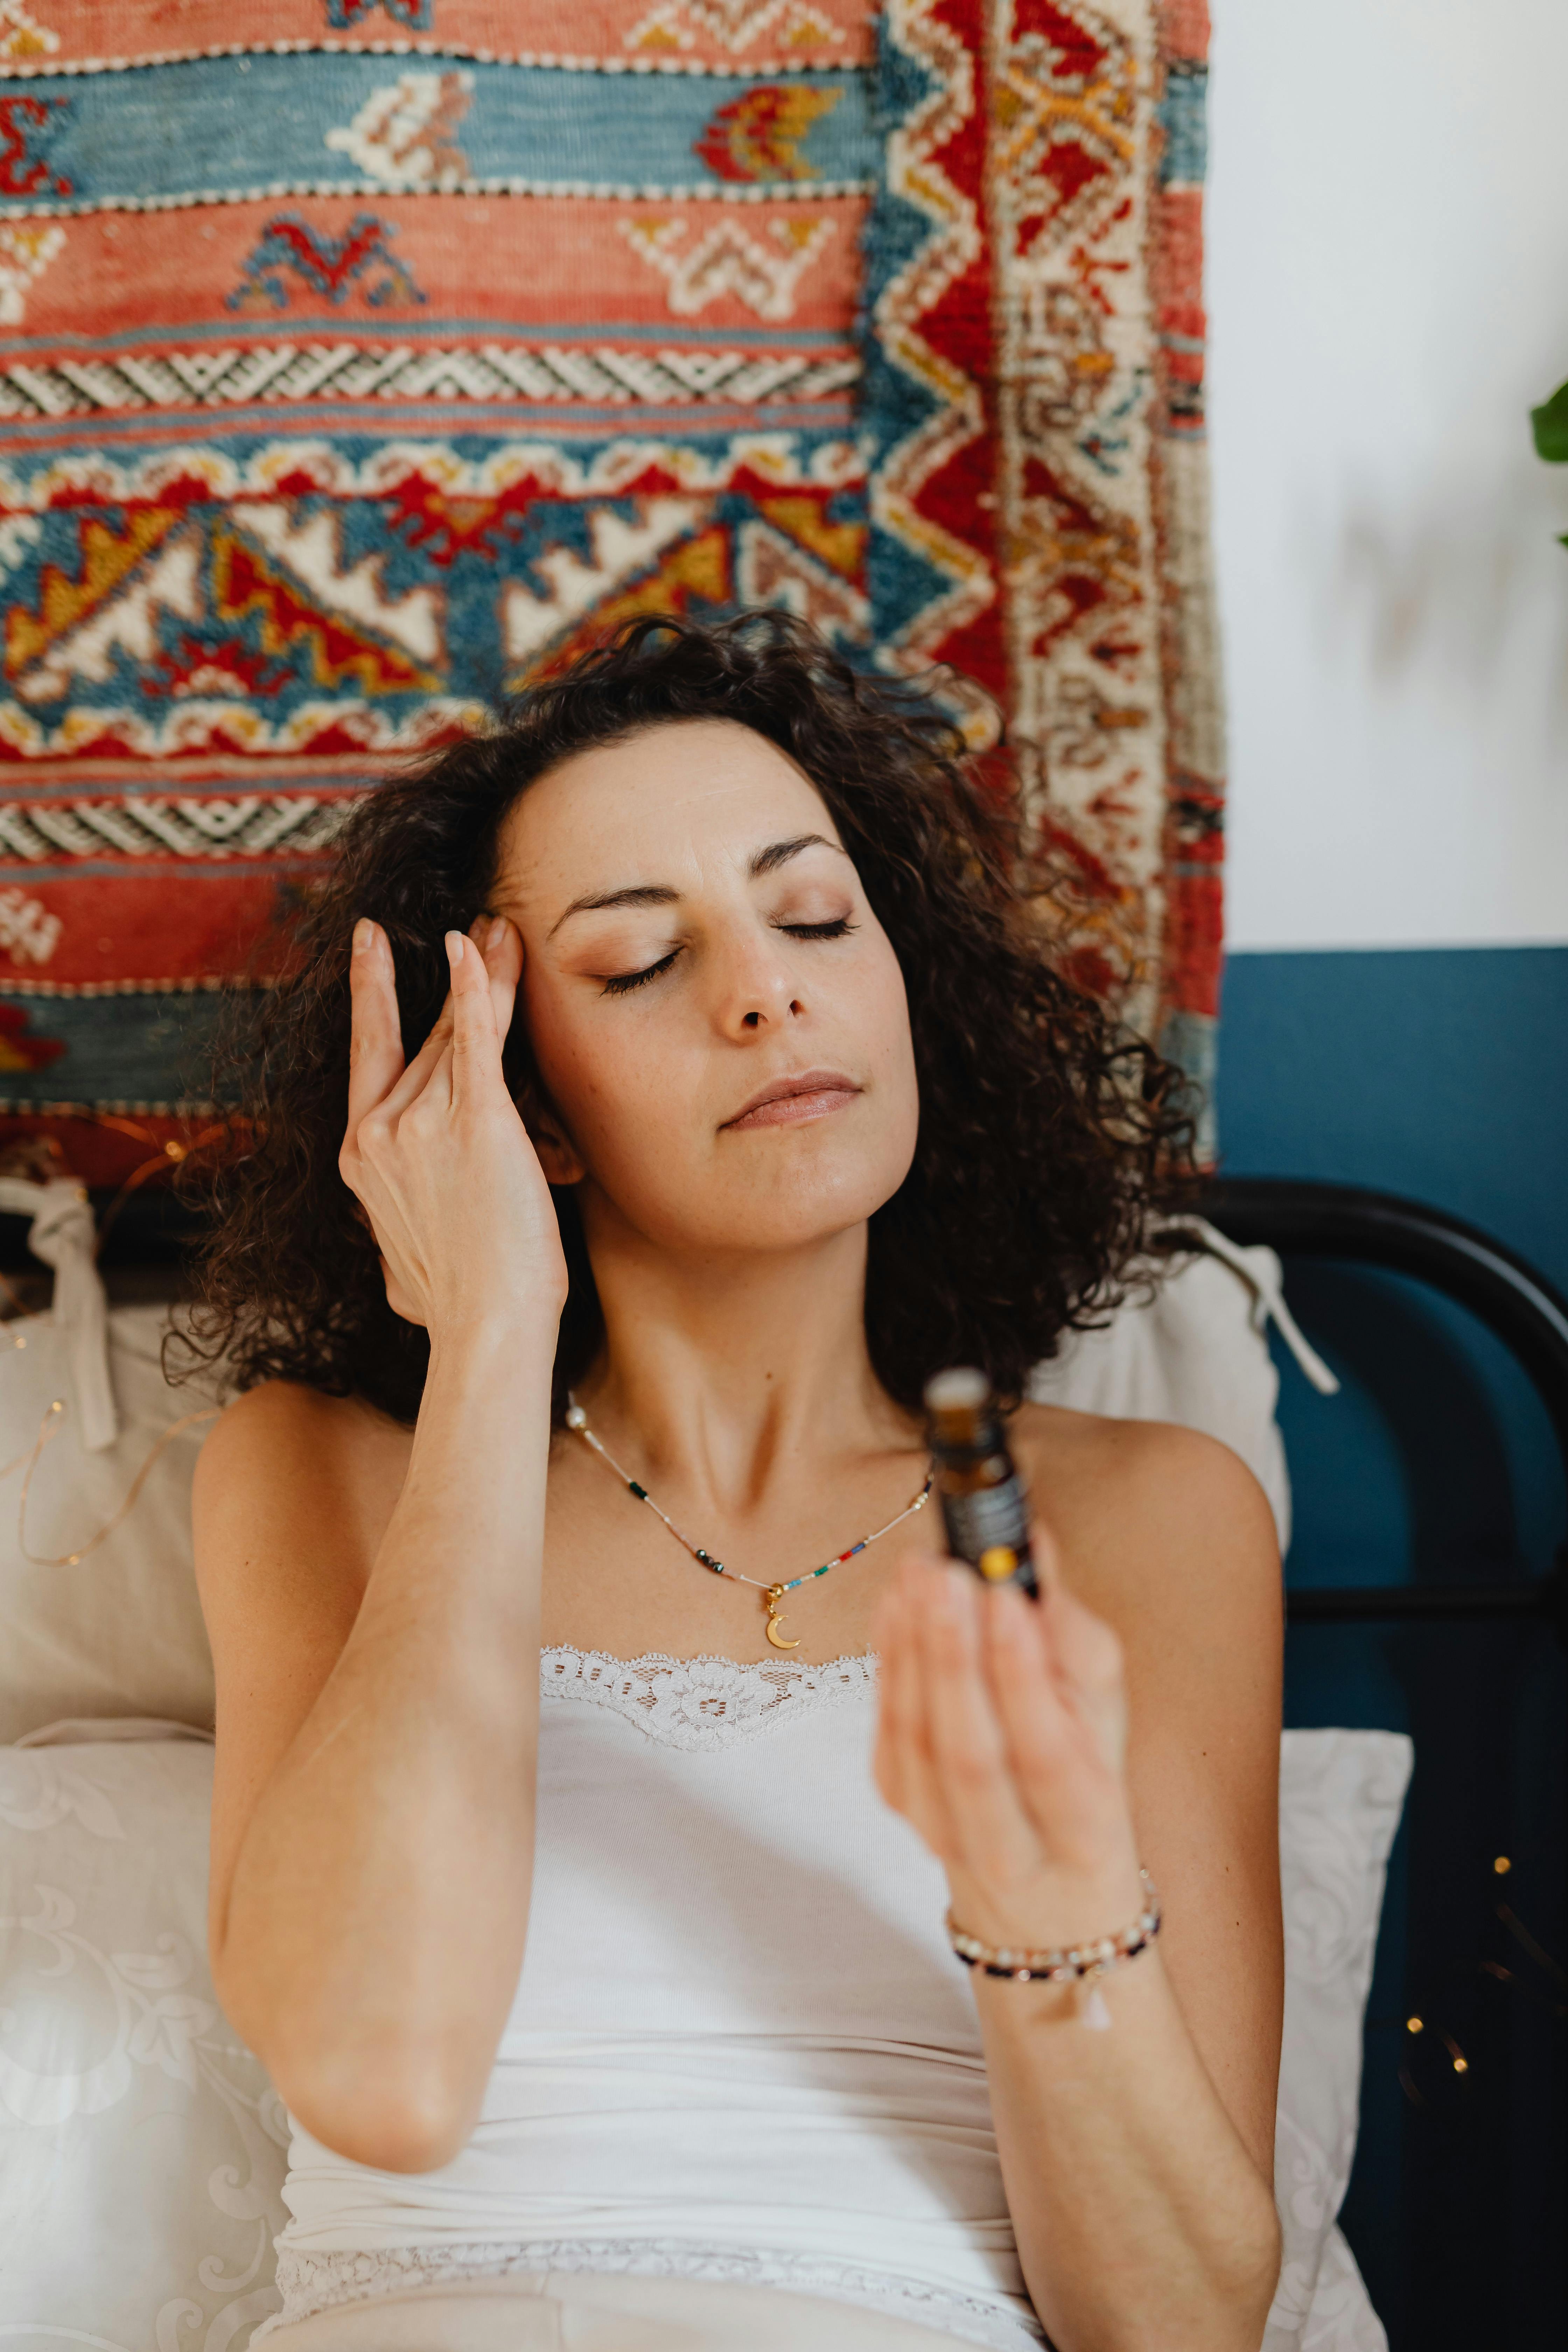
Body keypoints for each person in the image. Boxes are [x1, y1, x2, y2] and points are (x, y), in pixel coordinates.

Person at [187, 612, 1284, 2352]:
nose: (765, 988)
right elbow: (379, 2078)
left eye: (815, 916)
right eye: (636, 962)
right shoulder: (321, 1473)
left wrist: (1045, 1900)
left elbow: (1180, 2328)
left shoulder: (1148, 1517)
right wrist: (486, 1344)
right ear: (521, 1106)